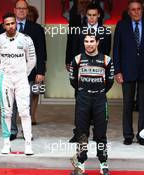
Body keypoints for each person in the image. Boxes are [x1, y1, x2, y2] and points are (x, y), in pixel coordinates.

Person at [0, 0, 47, 141]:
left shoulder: (37, 28)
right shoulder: (4, 28)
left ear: (27, 10)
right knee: (10, 104)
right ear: (14, 10)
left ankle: (27, 132)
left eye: (24, 8)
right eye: (19, 8)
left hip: (29, 73)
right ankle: (12, 131)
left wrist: (41, 72)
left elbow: (41, 52)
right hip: (9, 73)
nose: (21, 11)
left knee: (26, 104)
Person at [0, 12, 36, 155]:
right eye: (7, 24)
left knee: (24, 112)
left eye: (13, 23)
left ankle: (28, 144)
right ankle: (6, 143)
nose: (10, 26)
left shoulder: (26, 39)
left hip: (22, 79)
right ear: (3, 25)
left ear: (16, 23)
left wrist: (24, 74)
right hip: (6, 80)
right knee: (6, 113)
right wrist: (3, 74)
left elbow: (32, 60)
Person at [69, 32, 114, 175]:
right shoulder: (77, 59)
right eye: (86, 41)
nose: (89, 44)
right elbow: (73, 81)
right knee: (82, 133)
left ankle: (103, 163)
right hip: (83, 100)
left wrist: (98, 92)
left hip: (100, 100)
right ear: (83, 43)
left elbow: (110, 81)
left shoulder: (107, 60)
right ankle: (81, 164)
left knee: (101, 134)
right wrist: (85, 91)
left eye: (91, 41)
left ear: (97, 42)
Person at [68, 3, 112, 143]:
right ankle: (79, 133)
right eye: (89, 15)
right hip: (80, 71)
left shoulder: (106, 32)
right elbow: (71, 47)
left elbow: (106, 53)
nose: (92, 18)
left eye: (94, 15)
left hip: (99, 73)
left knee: (98, 105)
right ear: (85, 15)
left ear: (99, 15)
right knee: (79, 102)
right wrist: (69, 63)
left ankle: (97, 135)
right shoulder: (78, 30)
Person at [113, 0, 144, 145]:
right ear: (128, 11)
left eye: (139, 9)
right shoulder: (121, 25)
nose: (136, 12)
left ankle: (142, 135)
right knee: (127, 105)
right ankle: (128, 135)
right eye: (133, 10)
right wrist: (117, 71)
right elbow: (116, 50)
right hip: (127, 70)